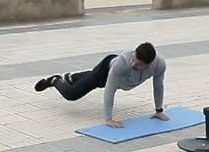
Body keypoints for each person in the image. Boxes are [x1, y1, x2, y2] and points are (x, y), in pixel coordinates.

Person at [33, 43, 169, 128]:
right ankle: (55, 80)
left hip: (118, 79)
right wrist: (108, 119)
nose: (134, 64)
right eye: (134, 60)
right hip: (104, 71)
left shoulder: (159, 64)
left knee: (92, 81)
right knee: (72, 94)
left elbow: (158, 85)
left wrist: (159, 110)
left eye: (139, 64)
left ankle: (72, 77)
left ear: (149, 64)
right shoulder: (122, 63)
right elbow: (110, 89)